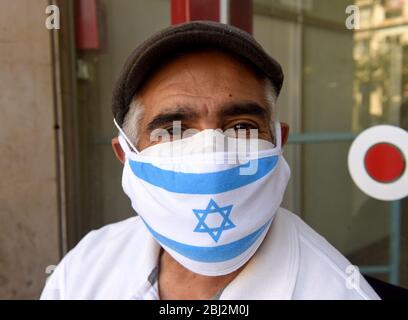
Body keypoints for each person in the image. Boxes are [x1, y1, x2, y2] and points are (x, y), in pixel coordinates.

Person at [41, 21, 379, 300]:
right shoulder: (82, 272)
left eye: (243, 127)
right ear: (125, 155)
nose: (213, 153)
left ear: (278, 143)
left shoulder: (338, 291)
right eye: (173, 130)